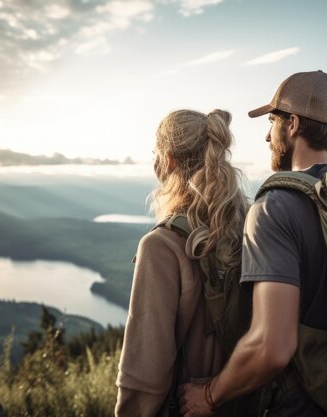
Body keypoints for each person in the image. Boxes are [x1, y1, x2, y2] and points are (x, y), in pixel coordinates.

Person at [178, 71, 327, 417]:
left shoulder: (276, 208)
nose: (267, 135)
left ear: (293, 124)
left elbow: (272, 347)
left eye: (272, 120)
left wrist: (210, 395)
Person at [115, 109, 249, 416]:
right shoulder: (251, 223)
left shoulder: (161, 245)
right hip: (246, 399)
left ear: (168, 160)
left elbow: (145, 371)